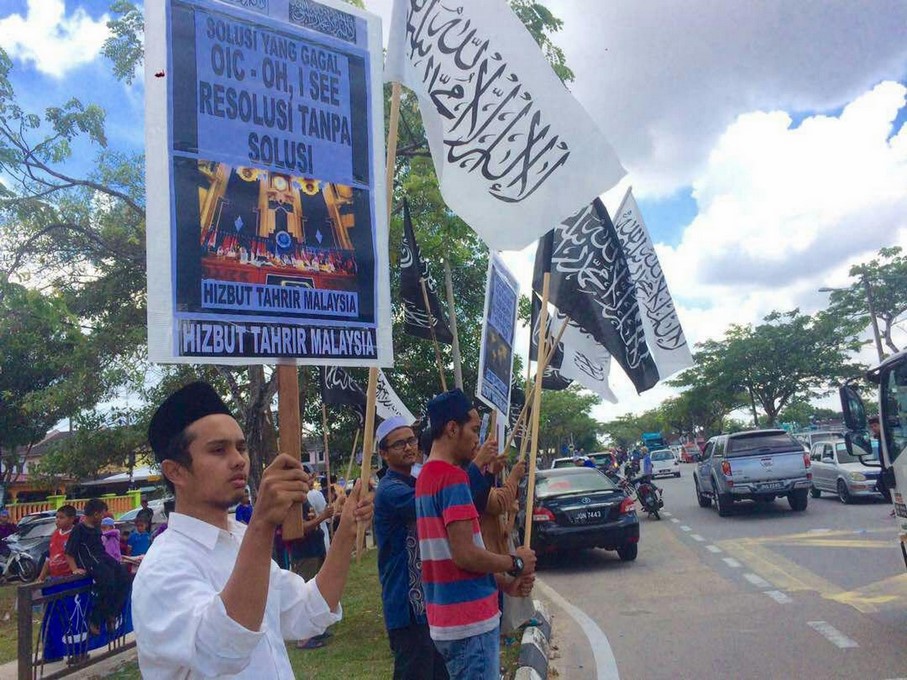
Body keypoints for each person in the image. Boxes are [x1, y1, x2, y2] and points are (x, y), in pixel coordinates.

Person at [132, 380, 373, 678]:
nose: (238, 460)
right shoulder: (163, 568)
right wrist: (262, 523)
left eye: (241, 447)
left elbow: (308, 610)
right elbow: (224, 649)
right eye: (218, 450)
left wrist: (346, 531)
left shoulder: (239, 538)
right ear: (176, 471)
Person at [416, 389, 536, 680]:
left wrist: (504, 584)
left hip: (447, 620)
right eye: (473, 429)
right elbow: (465, 555)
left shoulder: (425, 478)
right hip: (470, 623)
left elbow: (453, 553)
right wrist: (515, 562)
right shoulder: (452, 478)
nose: (476, 439)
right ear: (452, 428)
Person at [374, 416, 448, 680]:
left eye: (411, 440)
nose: (408, 447)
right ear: (384, 453)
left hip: (426, 605)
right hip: (406, 606)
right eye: (398, 444)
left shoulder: (413, 482)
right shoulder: (390, 491)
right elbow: (433, 500)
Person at [65, 498, 131, 635]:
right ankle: (95, 619)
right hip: (91, 562)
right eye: (102, 514)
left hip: (103, 558)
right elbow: (69, 552)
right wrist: (74, 569)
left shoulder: (96, 529)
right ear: (95, 514)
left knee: (124, 577)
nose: (103, 518)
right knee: (108, 582)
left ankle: (112, 613)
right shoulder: (79, 529)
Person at [38, 505, 77, 582]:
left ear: (71, 519)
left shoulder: (75, 533)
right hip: (55, 577)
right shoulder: (55, 534)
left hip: (70, 577)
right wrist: (41, 578)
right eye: (57, 517)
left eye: (62, 518)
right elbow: (49, 557)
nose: (58, 520)